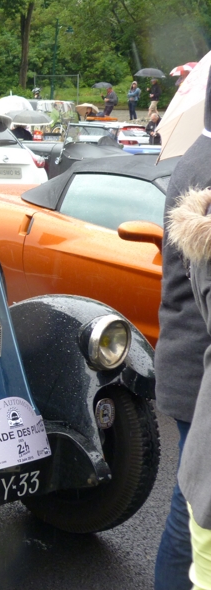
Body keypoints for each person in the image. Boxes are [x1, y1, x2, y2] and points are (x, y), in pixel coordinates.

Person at [153, 66, 211, 590]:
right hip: (198, 373)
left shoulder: (200, 153)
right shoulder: (206, 166)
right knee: (192, 513)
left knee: (192, 507)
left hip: (189, 362)